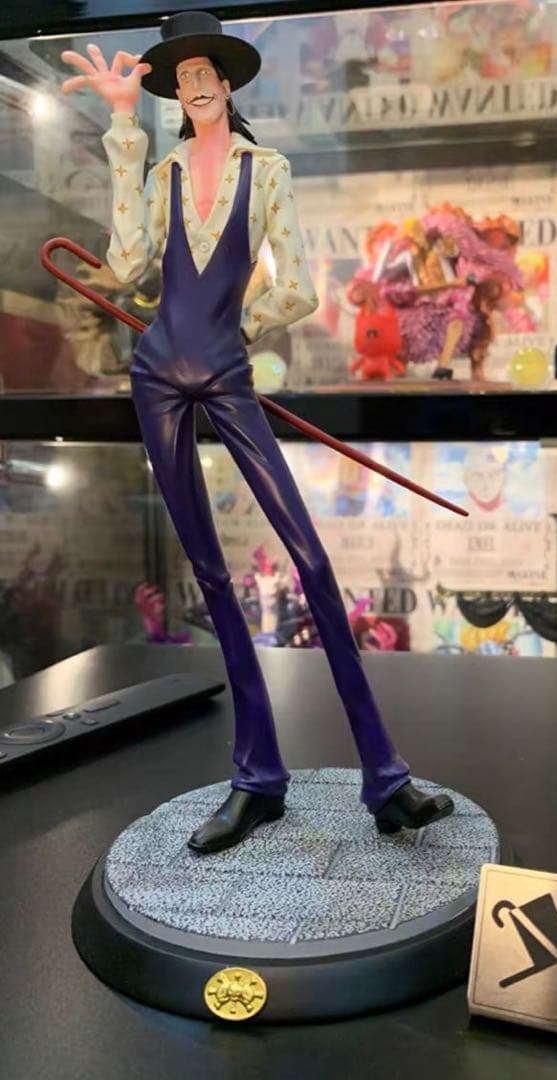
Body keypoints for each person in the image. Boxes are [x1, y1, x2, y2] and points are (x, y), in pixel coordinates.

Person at [61, 11, 453, 854]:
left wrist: (238, 324)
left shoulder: (265, 170)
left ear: (227, 82)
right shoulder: (162, 170)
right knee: (208, 572)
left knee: (310, 560)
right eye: (182, 77)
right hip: (155, 378)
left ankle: (385, 778)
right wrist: (122, 125)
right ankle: (257, 779)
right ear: (173, 92)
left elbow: (299, 286)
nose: (196, 86)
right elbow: (125, 264)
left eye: (206, 72)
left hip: (225, 374)